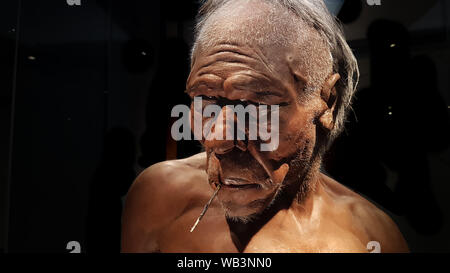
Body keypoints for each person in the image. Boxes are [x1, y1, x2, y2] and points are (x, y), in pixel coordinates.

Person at [121, 0, 408, 253]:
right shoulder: (158, 196)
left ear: (327, 102)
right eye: (206, 98)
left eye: (257, 106)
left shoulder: (370, 240)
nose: (218, 139)